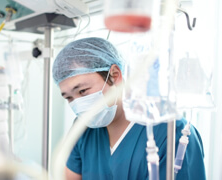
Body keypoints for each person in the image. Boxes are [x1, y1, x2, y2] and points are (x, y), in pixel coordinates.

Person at [52, 37, 206, 179]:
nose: (79, 104)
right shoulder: (82, 129)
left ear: (115, 75)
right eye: (69, 98)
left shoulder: (173, 133)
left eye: (83, 91)